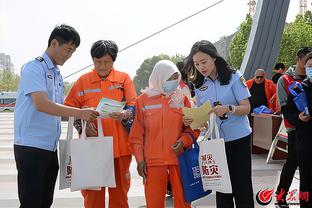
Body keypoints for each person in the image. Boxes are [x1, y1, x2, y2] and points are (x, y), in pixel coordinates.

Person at [14, 24, 99, 208]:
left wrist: (81, 118)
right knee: (31, 203)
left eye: (73, 52)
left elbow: (58, 110)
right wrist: (79, 112)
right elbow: (42, 104)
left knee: (45, 202)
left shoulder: (57, 74)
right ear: (54, 43)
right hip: (30, 147)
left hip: (49, 148)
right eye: (68, 49)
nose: (69, 56)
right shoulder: (34, 68)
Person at [64, 40, 137, 208]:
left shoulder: (123, 79)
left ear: (113, 61)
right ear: (93, 60)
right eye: (98, 62)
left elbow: (133, 105)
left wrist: (126, 114)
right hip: (91, 148)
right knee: (92, 198)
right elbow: (68, 108)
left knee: (119, 197)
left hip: (119, 150)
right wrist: (81, 125)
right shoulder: (83, 81)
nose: (102, 66)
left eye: (107, 62)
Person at [183, 40, 254, 207]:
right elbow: (204, 116)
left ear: (214, 57)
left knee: (241, 185)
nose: (201, 67)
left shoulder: (234, 76)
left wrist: (229, 108)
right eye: (197, 63)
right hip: (215, 142)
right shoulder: (199, 85)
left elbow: (247, 108)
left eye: (204, 61)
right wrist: (194, 119)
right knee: (222, 187)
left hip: (239, 139)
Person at [129, 60, 198, 208]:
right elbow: (136, 134)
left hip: (179, 160)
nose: (174, 82)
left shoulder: (182, 99)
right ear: (159, 77)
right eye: (170, 78)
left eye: (176, 78)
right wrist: (140, 160)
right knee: (153, 203)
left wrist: (184, 141)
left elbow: (193, 128)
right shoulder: (142, 100)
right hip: (153, 163)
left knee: (184, 203)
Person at [275, 47, 312, 206]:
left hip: (305, 130)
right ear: (299, 60)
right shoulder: (286, 80)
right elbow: (285, 107)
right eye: (307, 64)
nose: (307, 67)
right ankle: (280, 195)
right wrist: (297, 118)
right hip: (295, 129)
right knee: (293, 163)